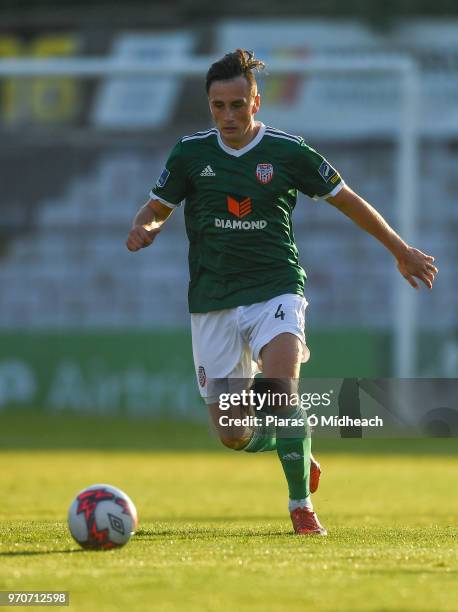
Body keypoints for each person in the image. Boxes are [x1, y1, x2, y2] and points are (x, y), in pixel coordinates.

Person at [126, 49, 438, 536]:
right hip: (213, 300)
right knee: (234, 435)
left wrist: (400, 250)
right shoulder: (190, 153)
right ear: (209, 105)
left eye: (237, 104)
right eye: (217, 106)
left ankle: (301, 505)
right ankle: (300, 445)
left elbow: (348, 200)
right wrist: (145, 227)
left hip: (276, 287)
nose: (228, 116)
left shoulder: (289, 152)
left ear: (256, 100)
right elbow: (155, 207)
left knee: (279, 390)